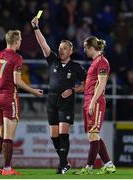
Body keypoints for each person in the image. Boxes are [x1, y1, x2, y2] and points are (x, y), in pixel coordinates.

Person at [31, 17, 86, 174]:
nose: (61, 50)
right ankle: (65, 163)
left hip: (66, 101)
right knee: (53, 135)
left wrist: (73, 90)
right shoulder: (53, 60)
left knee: (63, 133)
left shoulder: (76, 67)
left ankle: (61, 166)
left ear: (70, 51)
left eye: (64, 48)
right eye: (60, 48)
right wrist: (36, 28)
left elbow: (86, 84)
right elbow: (43, 44)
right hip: (52, 100)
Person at [0, 30, 43, 176]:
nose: (21, 42)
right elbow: (17, 81)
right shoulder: (17, 58)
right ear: (16, 41)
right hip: (9, 97)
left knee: (1, 132)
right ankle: (7, 168)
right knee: (9, 136)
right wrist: (33, 91)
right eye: (21, 40)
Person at [75, 36, 116, 175]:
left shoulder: (102, 62)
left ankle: (89, 167)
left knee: (93, 134)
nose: (84, 50)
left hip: (96, 101)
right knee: (93, 136)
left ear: (91, 48)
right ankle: (109, 165)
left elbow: (102, 83)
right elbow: (91, 84)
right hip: (89, 100)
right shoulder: (95, 62)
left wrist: (92, 102)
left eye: (85, 47)